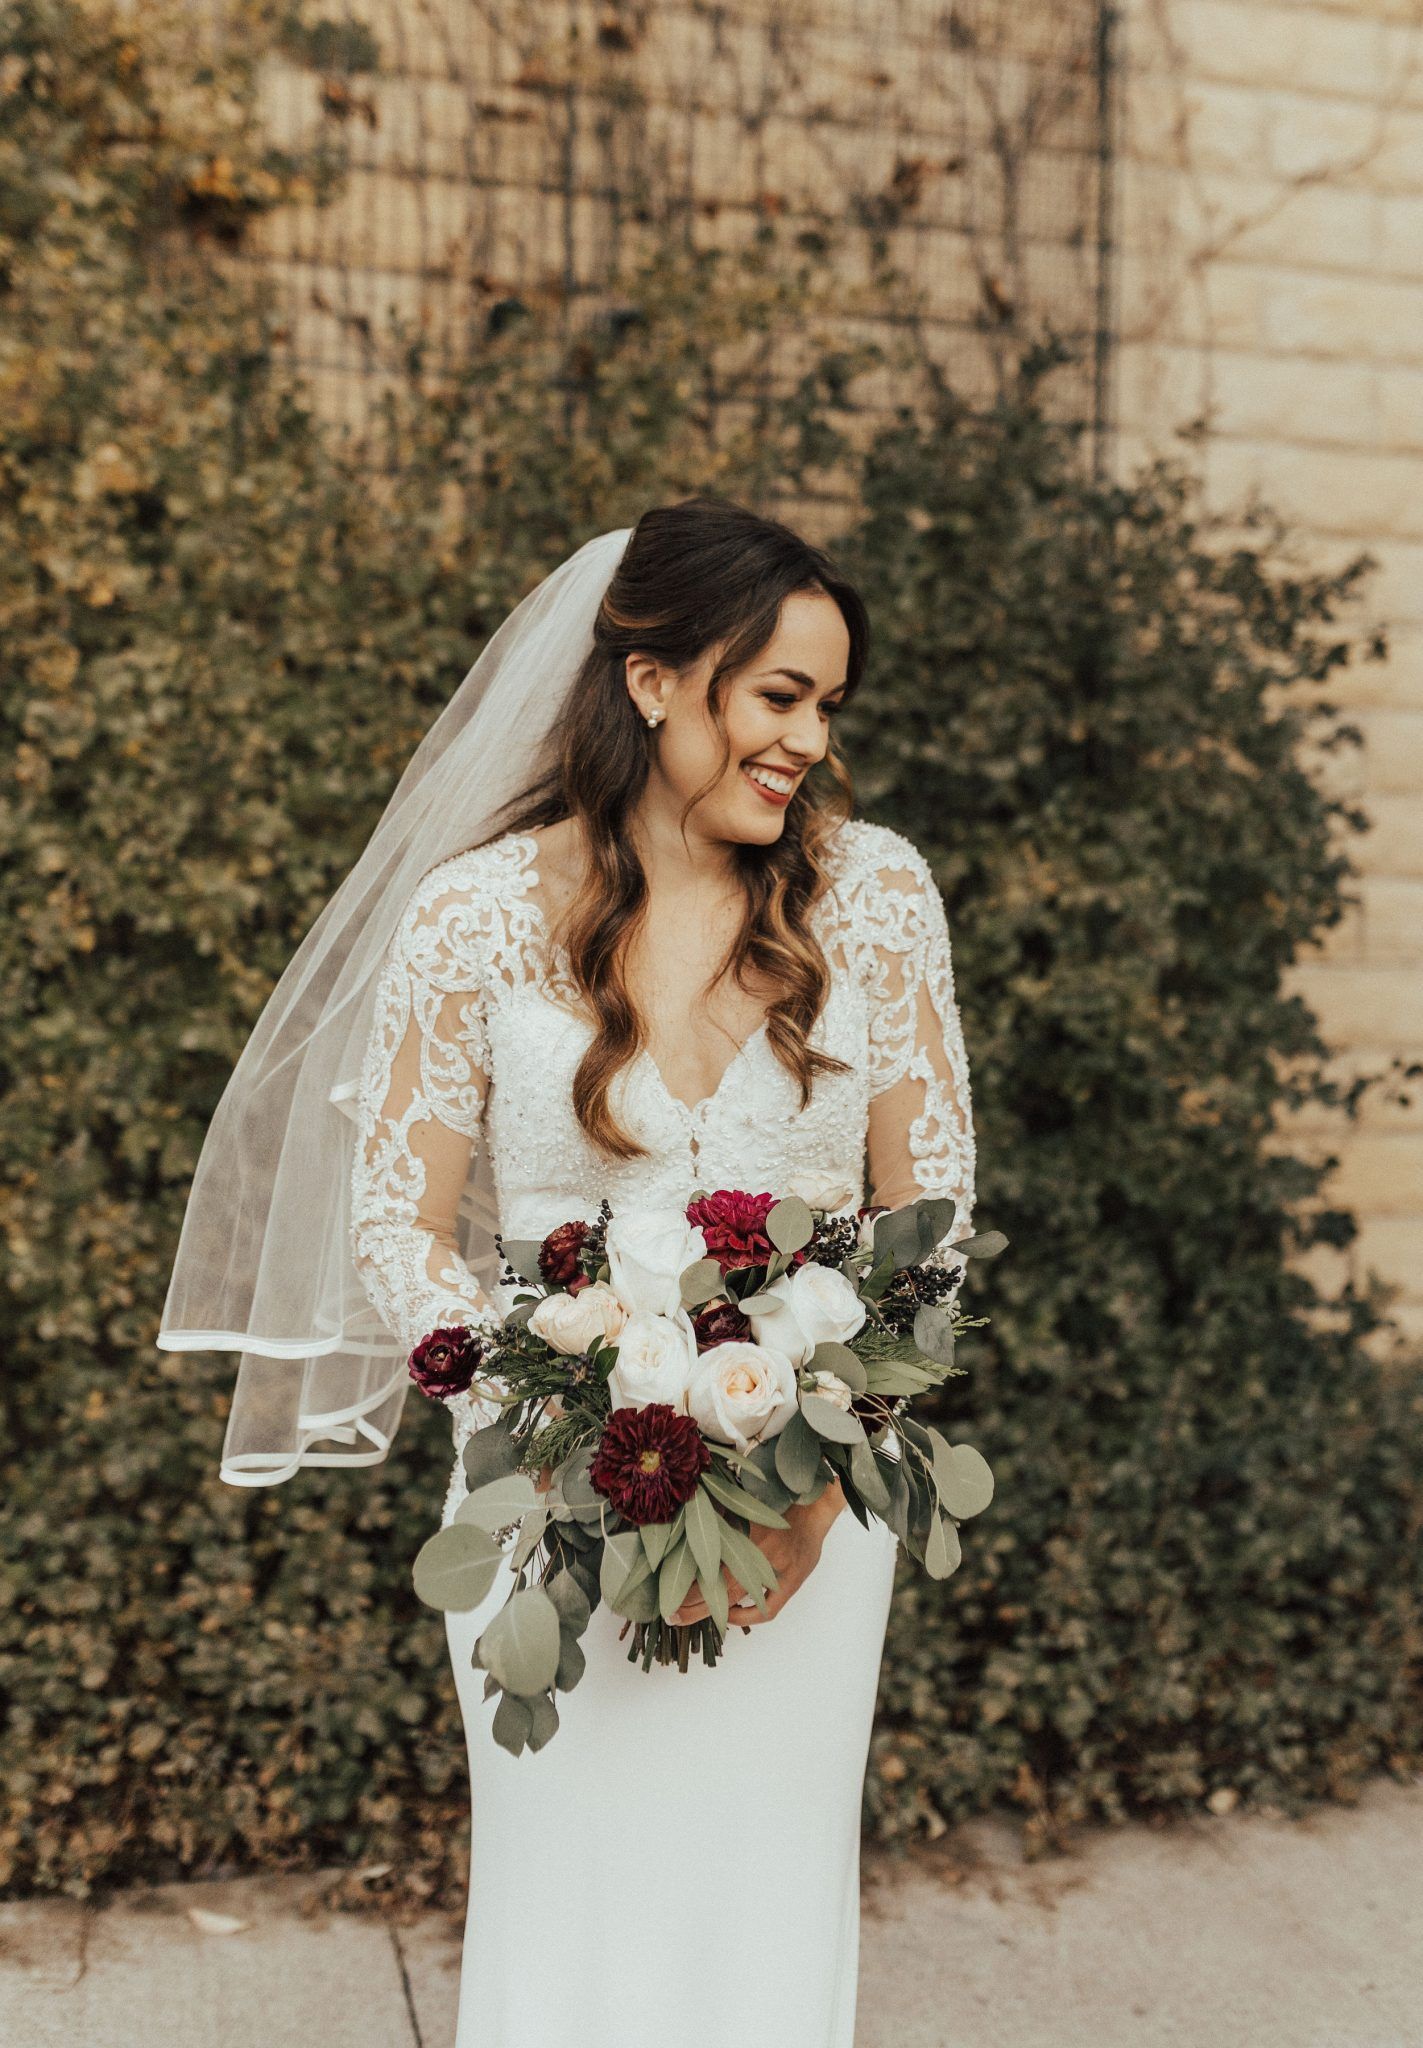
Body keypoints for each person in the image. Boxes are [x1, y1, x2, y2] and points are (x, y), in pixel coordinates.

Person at [158, 495, 974, 2047]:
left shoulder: (871, 894)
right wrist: (563, 1422)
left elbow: (928, 1217)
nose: (804, 738)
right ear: (655, 678)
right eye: (776, 695)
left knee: (767, 1880)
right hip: (542, 1496)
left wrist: (823, 1462)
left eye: (826, 706)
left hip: (815, 1482)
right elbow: (399, 1227)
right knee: (569, 1879)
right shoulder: (469, 918)